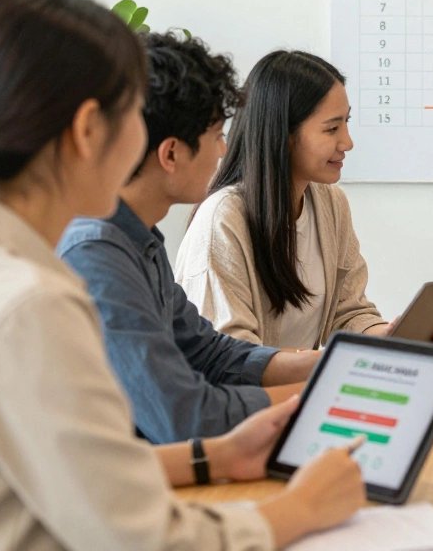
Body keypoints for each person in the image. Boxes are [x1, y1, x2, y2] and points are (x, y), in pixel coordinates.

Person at [0, 0, 364, 549]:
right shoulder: (31, 306)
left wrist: (214, 456)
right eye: (135, 113)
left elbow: (74, 473)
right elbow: (141, 535)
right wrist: (300, 509)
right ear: (87, 130)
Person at [59, 31, 323, 444]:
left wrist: (330, 367)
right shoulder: (96, 254)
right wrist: (319, 397)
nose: (223, 151)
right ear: (171, 154)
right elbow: (184, 417)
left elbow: (209, 354)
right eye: (217, 136)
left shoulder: (138, 238)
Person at [175, 50, 433, 349]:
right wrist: (325, 365)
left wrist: (394, 337)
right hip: (254, 395)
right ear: (282, 134)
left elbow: (348, 312)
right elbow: (229, 356)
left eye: (346, 123)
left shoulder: (330, 203)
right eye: (332, 128)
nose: (347, 142)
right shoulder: (222, 220)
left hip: (303, 388)